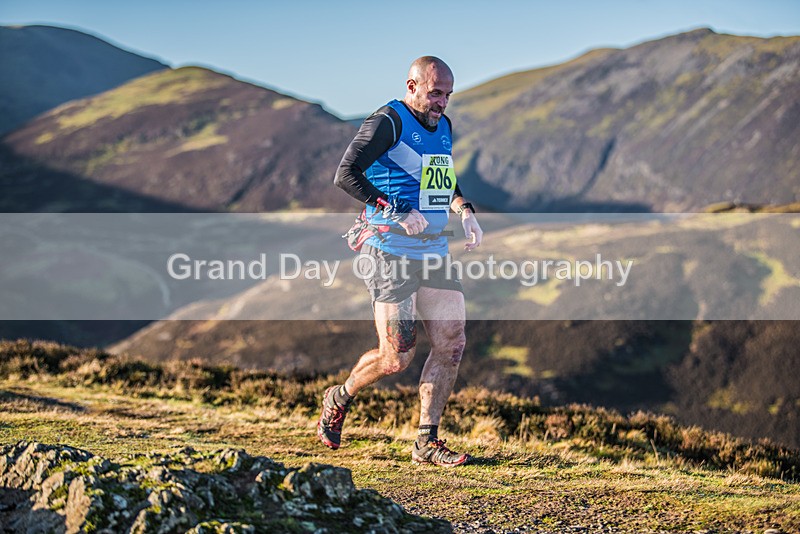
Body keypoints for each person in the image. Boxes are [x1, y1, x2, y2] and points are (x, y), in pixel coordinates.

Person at [317, 56, 483, 467]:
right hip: (389, 250)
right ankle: (340, 395)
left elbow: (441, 175)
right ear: (412, 87)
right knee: (396, 356)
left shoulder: (442, 126)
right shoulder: (387, 121)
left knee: (452, 342)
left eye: (448, 94)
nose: (442, 102)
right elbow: (346, 173)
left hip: (433, 251)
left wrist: (465, 210)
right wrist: (394, 209)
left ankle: (426, 441)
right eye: (435, 93)